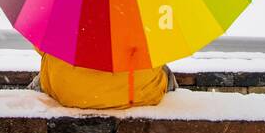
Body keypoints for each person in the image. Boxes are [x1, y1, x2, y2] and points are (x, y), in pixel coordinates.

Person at [30, 52, 177, 108]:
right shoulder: (144, 12)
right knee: (163, 70)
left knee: (46, 72)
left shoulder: (66, 7)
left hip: (70, 92)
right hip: (137, 93)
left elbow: (41, 44)